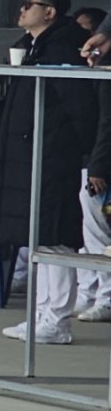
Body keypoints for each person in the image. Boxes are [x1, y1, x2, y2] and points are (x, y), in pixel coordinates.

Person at [0, 0, 97, 345]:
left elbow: (80, 108)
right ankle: (41, 313)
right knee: (38, 237)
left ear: (49, 12)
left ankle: (56, 318)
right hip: (30, 154)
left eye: (29, 3)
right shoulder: (34, 46)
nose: (22, 9)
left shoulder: (63, 46)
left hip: (53, 155)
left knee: (55, 237)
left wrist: (73, 148)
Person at [78, 81, 111, 324]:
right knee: (89, 234)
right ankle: (88, 291)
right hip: (93, 163)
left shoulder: (105, 75)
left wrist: (97, 166)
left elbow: (107, 123)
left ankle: (105, 298)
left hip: (100, 168)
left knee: (99, 235)